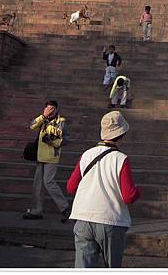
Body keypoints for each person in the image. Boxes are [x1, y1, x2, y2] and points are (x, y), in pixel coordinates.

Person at [66, 111, 142, 268]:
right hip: (110, 221)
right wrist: (139, 191)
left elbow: (71, 187)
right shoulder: (121, 159)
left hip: (84, 218)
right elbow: (129, 196)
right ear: (122, 134)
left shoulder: (86, 154)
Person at [23, 100, 70, 222]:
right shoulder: (42, 119)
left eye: (53, 109)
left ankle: (64, 208)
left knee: (48, 182)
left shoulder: (61, 122)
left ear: (57, 109)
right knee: (37, 184)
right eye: (48, 109)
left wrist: (52, 142)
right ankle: (37, 210)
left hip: (52, 156)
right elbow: (32, 126)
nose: (51, 111)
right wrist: (43, 116)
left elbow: (66, 139)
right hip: (40, 156)